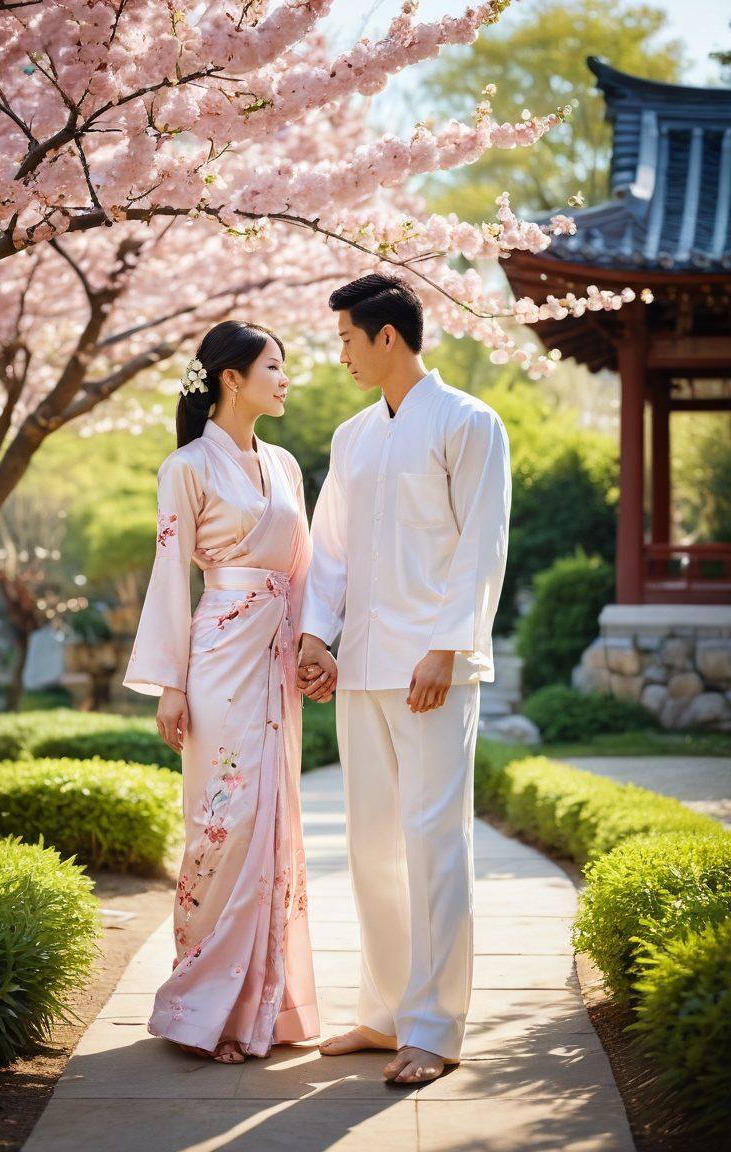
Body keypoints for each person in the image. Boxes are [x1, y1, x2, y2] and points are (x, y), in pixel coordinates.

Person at [297, 273, 512, 1085]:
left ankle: (433, 1026)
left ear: (386, 336)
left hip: (434, 671)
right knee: (370, 846)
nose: (341, 355)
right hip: (361, 667)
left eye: (347, 340)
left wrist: (448, 648)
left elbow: (481, 543)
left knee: (433, 842)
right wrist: (316, 638)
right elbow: (331, 548)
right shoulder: (352, 436)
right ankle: (386, 1013)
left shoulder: (469, 422)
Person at [123, 320, 321, 1064]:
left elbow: (303, 568)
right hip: (218, 656)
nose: (286, 378)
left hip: (275, 657)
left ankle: (265, 1003)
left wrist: (312, 645)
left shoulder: (286, 465)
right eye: (274, 366)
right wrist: (170, 685)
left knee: (275, 820)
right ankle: (202, 1005)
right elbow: (170, 574)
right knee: (223, 819)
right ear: (232, 378)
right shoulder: (185, 466)